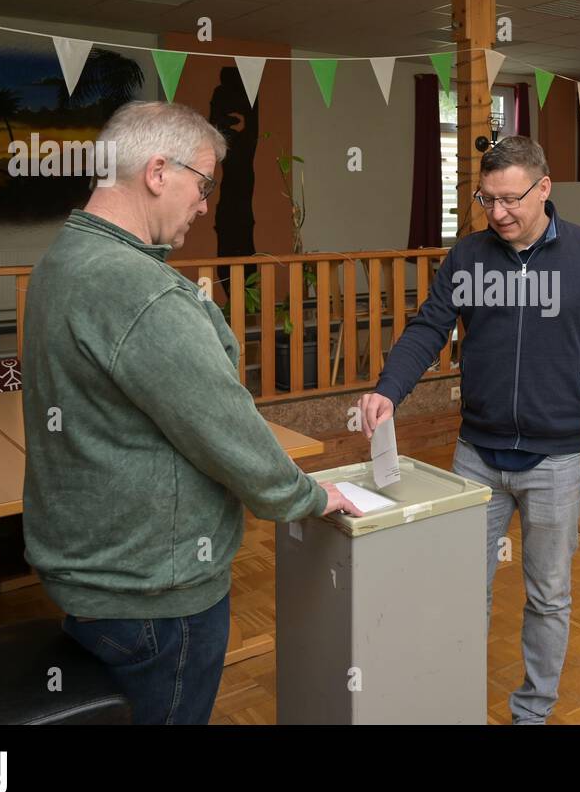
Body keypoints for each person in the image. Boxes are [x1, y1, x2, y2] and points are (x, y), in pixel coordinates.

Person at [22, 100, 358, 725]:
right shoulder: (140, 289)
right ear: (157, 172)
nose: (204, 205)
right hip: (154, 591)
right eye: (202, 186)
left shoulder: (62, 260)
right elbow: (222, 424)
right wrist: (306, 495)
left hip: (94, 573)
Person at [359, 135, 580, 724]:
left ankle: (532, 712)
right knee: (462, 591)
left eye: (511, 199)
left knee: (548, 597)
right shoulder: (467, 257)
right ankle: (454, 701)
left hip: (558, 460)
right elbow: (428, 327)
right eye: (487, 200)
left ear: (544, 188)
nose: (500, 213)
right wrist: (388, 389)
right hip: (476, 457)